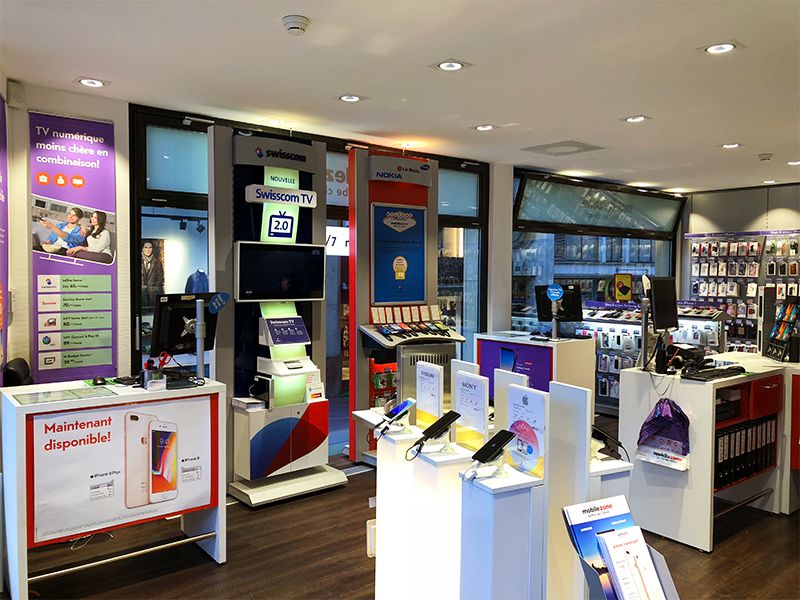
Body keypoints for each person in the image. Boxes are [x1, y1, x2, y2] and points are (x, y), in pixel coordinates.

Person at [141, 241, 164, 308]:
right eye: (146, 247)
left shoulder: (157, 262)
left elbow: (160, 278)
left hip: (153, 294)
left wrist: (154, 289)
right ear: (142, 249)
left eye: (150, 247)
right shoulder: (137, 261)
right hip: (140, 294)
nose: (148, 249)